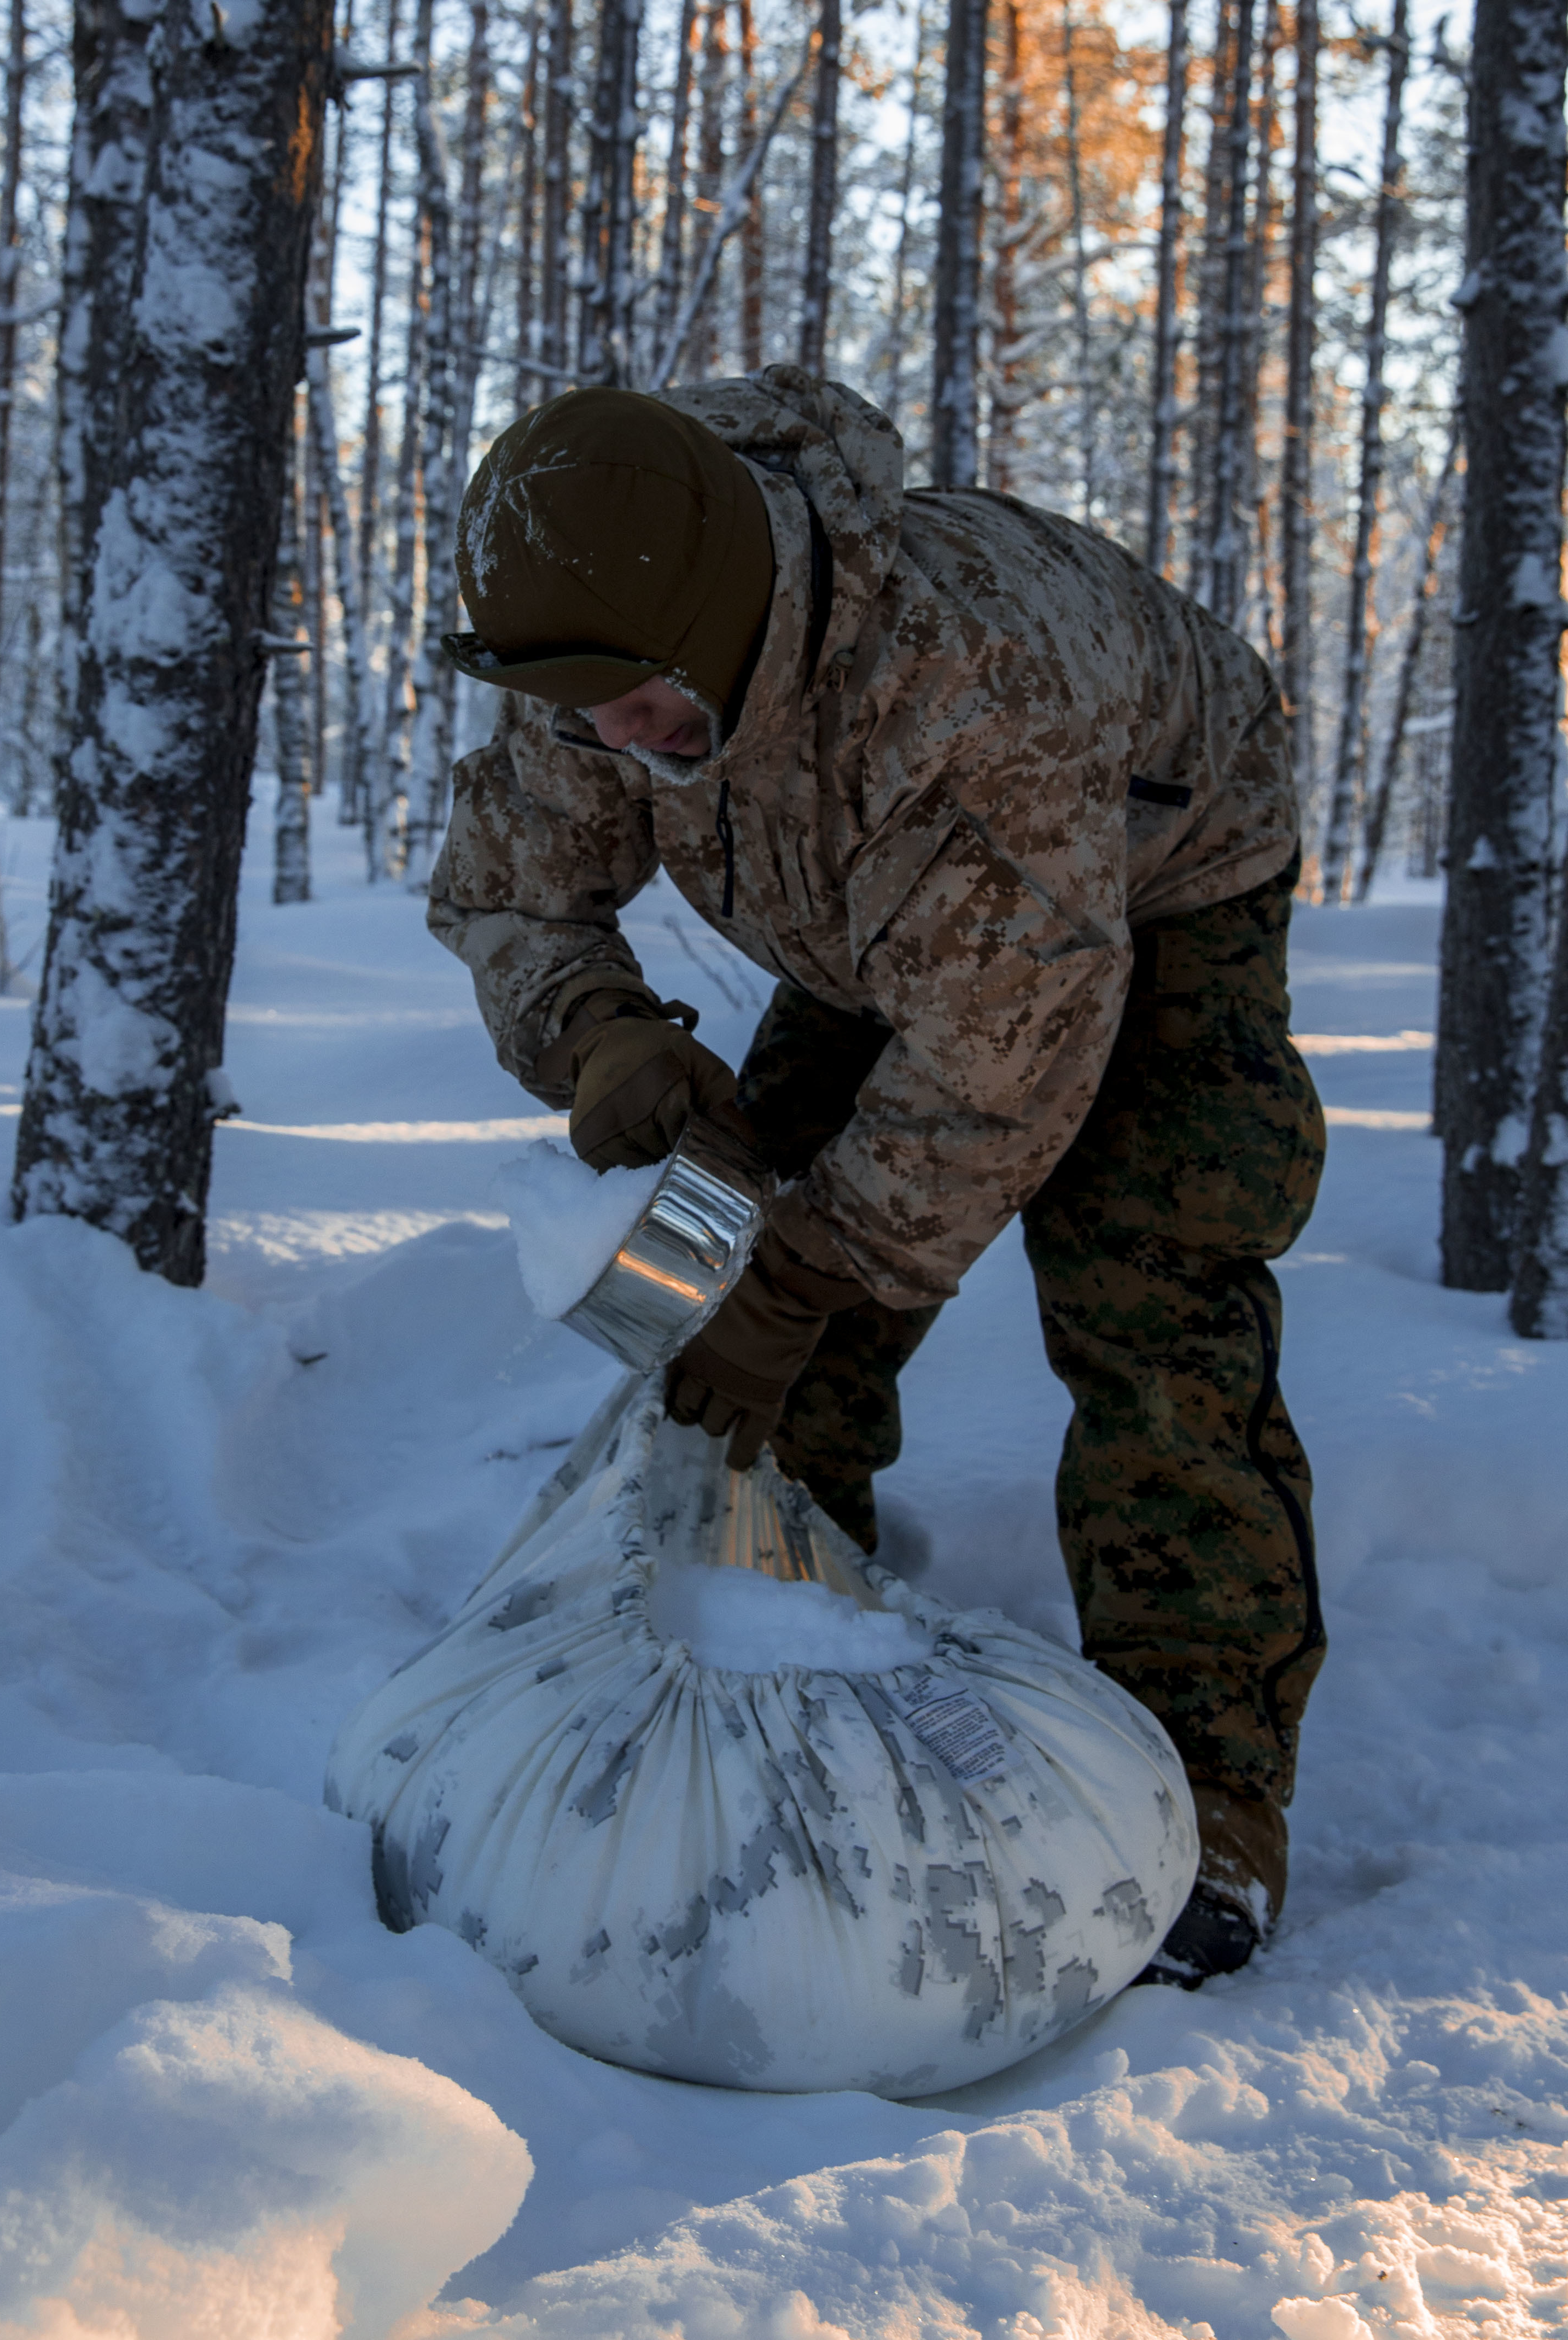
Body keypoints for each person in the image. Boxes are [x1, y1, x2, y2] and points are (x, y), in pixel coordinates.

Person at [428, 366, 1326, 1985]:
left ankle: (1204, 1796)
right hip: (879, 908)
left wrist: (812, 1269)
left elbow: (992, 1079)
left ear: (720, 628)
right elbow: (510, 887)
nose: (618, 745)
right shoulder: (595, 625)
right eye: (588, 718)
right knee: (725, 1274)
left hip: (1156, 868)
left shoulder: (974, 693)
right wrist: (598, 1030)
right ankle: (764, 1647)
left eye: (644, 711)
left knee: (1148, 1288)